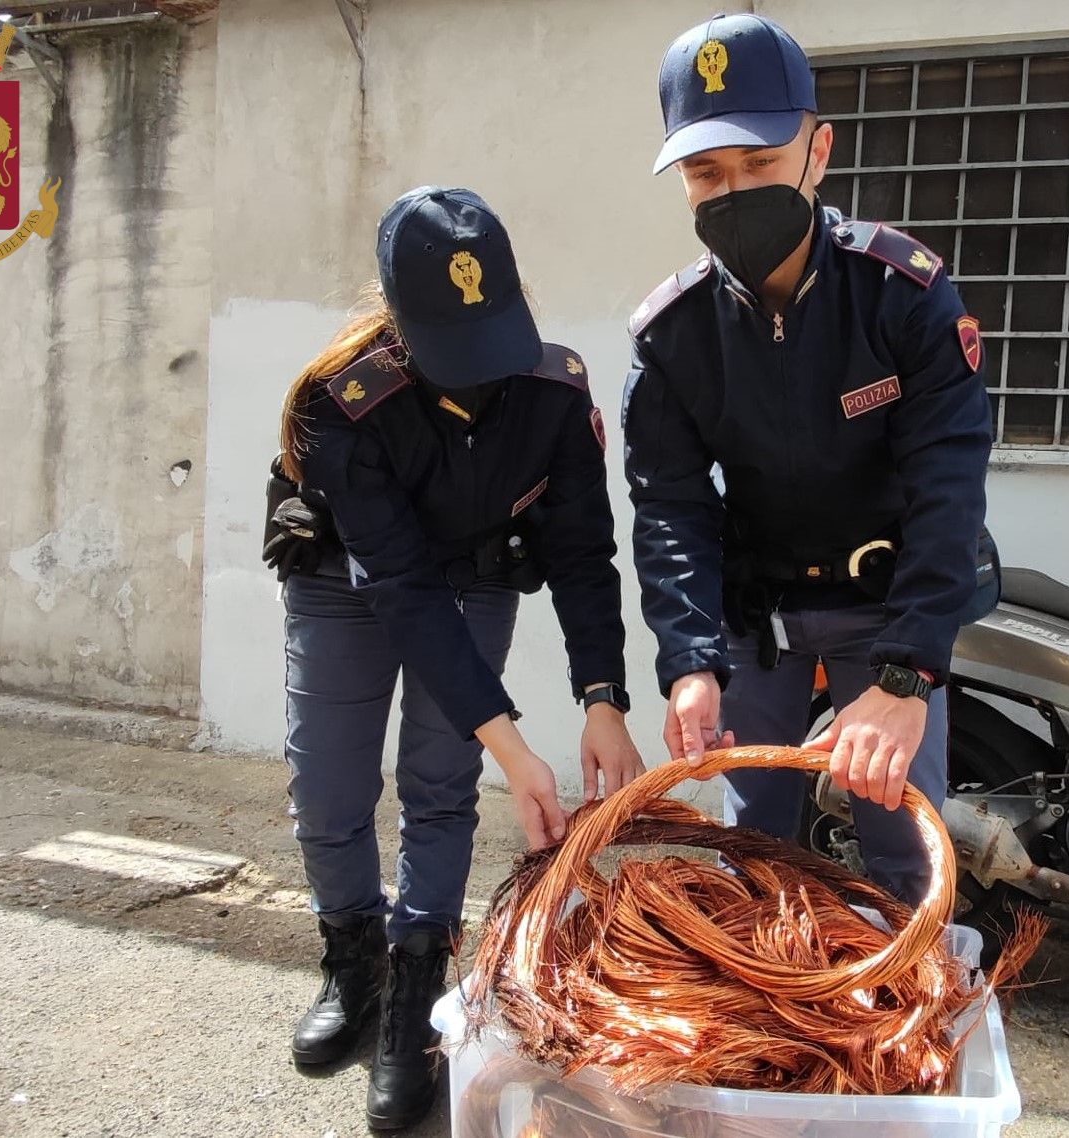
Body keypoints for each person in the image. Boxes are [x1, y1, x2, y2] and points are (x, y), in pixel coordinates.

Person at [263, 185, 643, 1130]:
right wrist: (516, 749)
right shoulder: (340, 402)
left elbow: (583, 552)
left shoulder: (553, 391)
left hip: (474, 580)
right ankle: (354, 961)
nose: (479, 372)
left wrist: (602, 696)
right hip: (347, 582)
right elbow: (400, 586)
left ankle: (416, 998)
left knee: (440, 783)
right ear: (397, 319)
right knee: (328, 787)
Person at [623, 14, 993, 904]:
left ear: (816, 152)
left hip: (889, 603)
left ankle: (909, 1013)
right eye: (707, 174)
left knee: (903, 839)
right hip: (762, 616)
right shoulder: (672, 335)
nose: (734, 190)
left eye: (758, 164)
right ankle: (771, 1010)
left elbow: (948, 488)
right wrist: (690, 659)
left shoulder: (900, 296)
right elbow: (670, 504)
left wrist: (908, 674)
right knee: (755, 846)